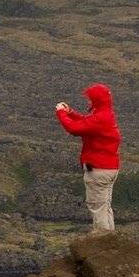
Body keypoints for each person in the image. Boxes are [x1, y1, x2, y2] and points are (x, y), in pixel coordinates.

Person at [55, 83, 122, 234]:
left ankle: (103, 240)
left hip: (98, 169)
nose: (88, 102)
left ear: (96, 100)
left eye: (90, 99)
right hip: (109, 168)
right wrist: (70, 112)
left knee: (97, 205)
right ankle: (111, 239)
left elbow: (74, 129)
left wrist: (61, 113)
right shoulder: (105, 114)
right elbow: (87, 123)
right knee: (105, 205)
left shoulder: (100, 117)